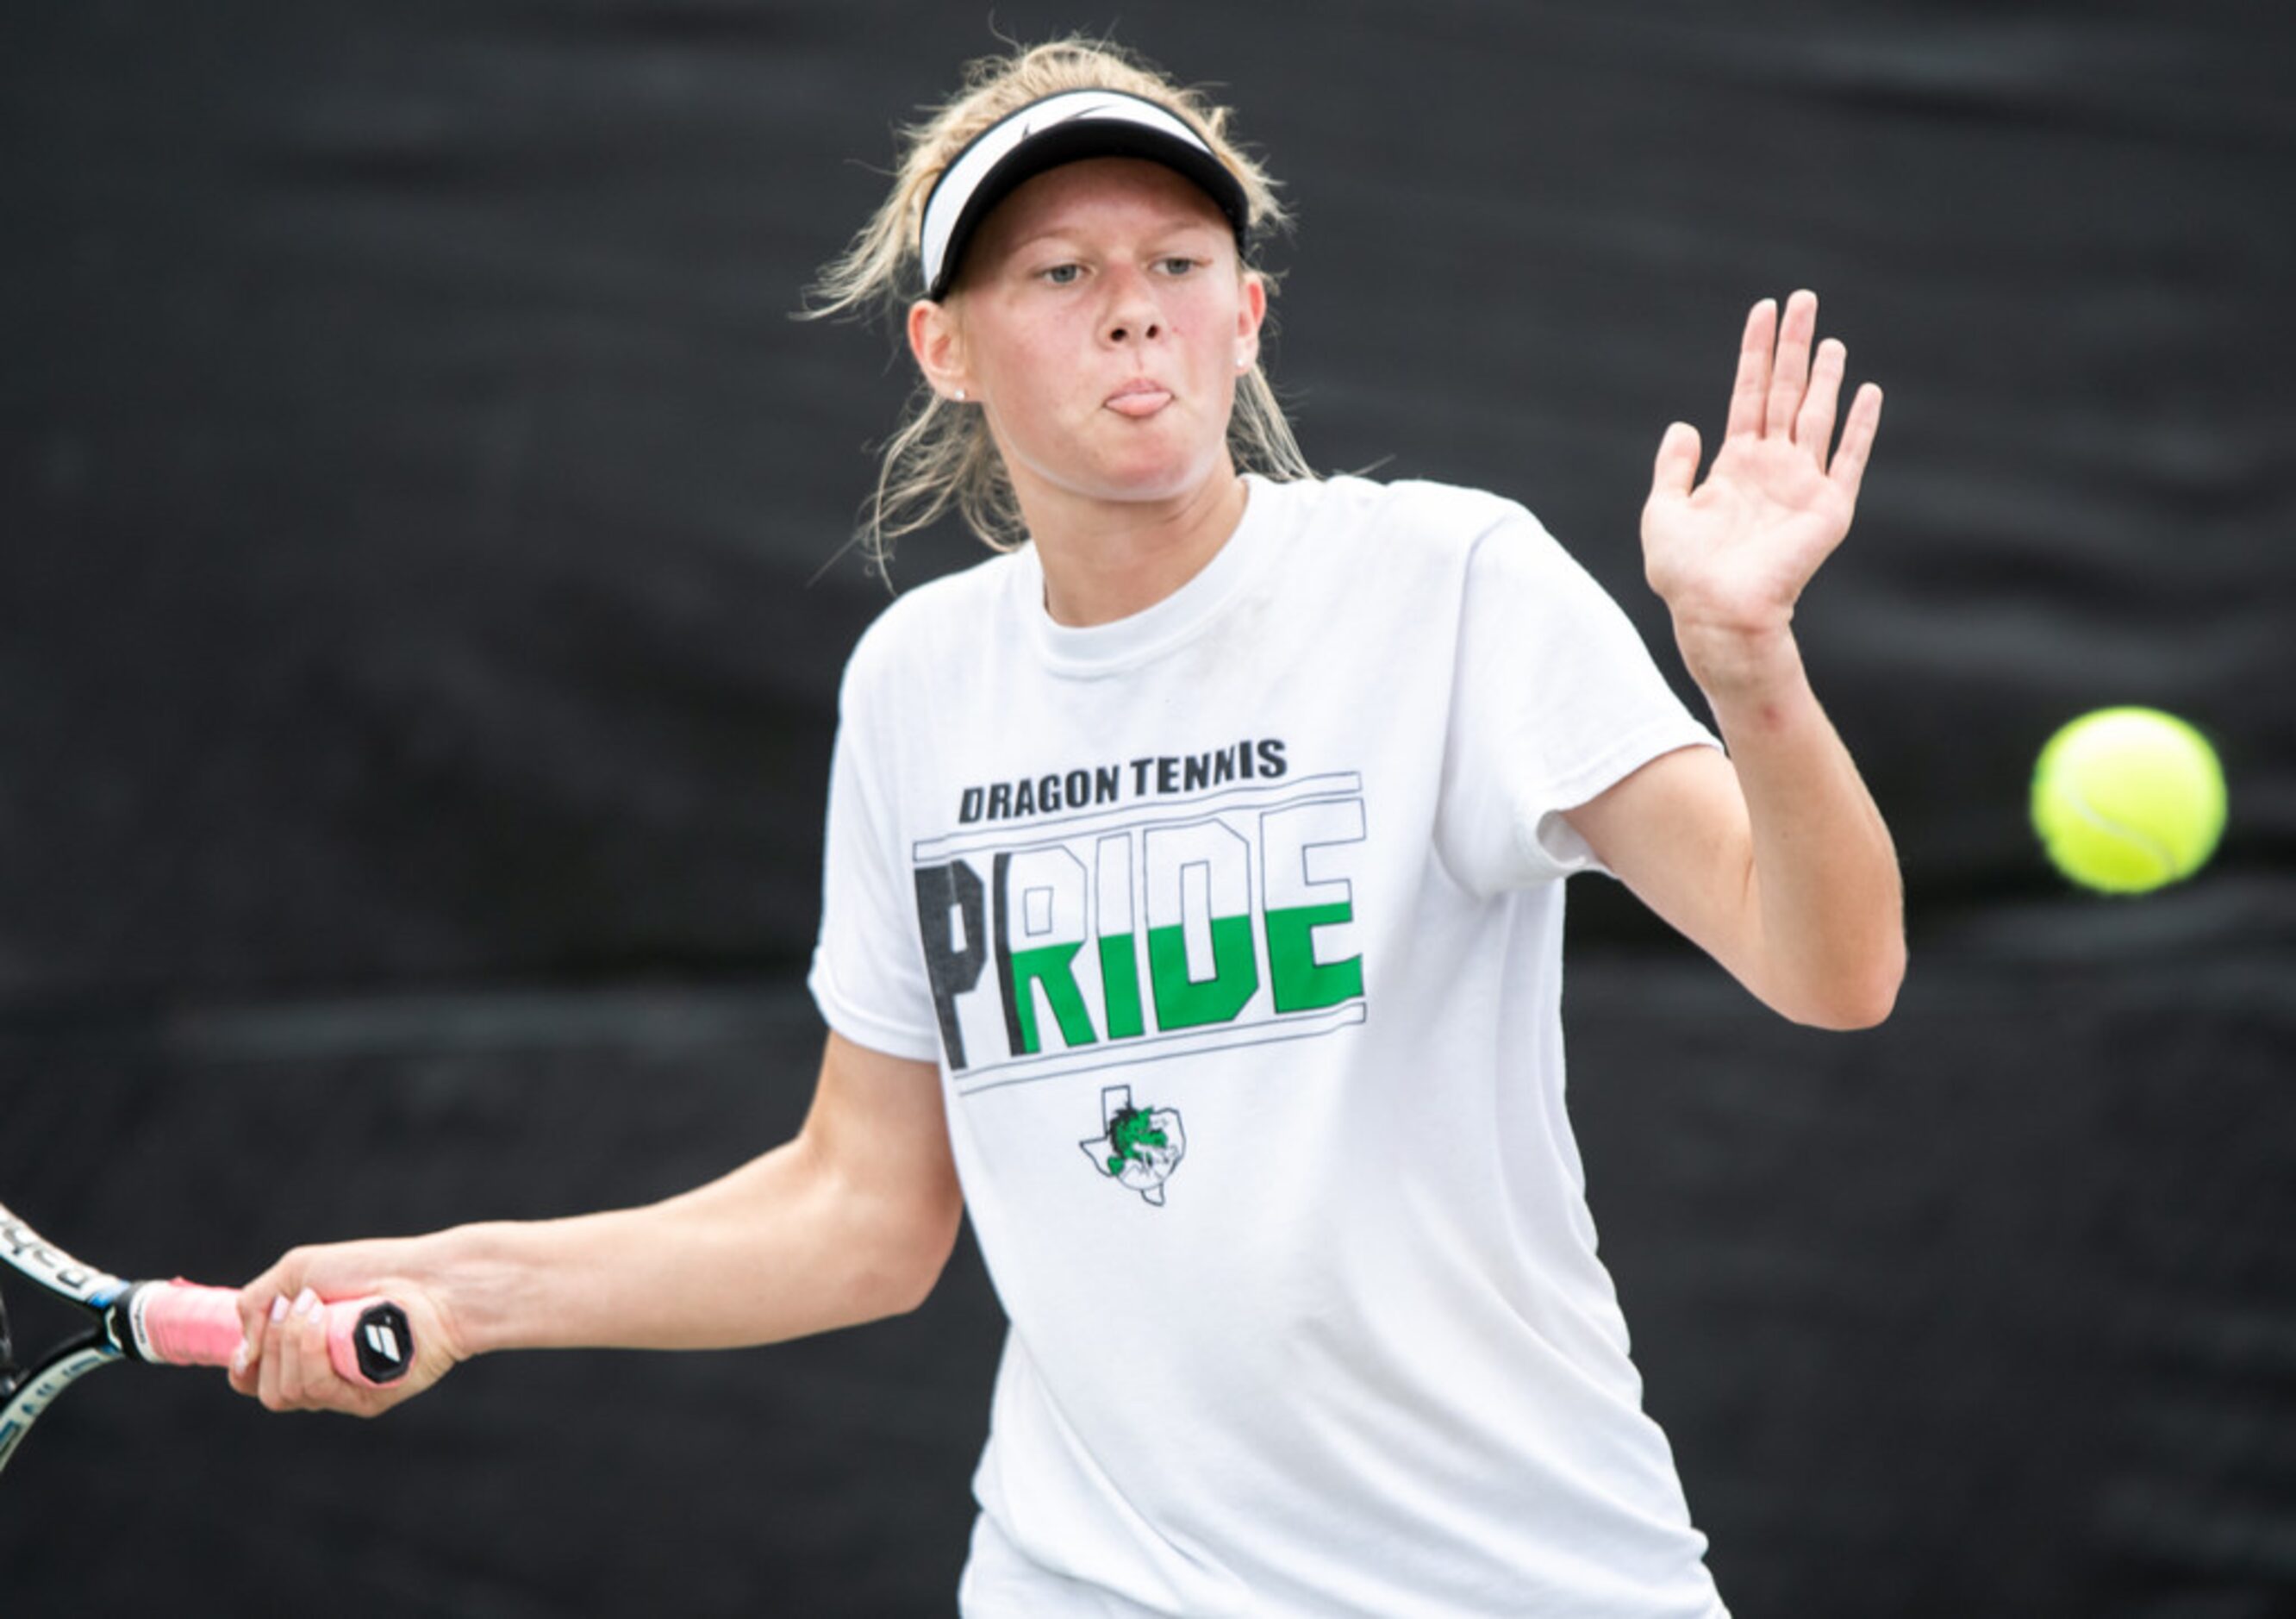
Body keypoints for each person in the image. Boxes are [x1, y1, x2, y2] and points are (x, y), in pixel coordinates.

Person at [230, 37, 1902, 1618]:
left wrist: (1748, 668)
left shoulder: (1448, 583)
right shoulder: (920, 684)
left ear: (1247, 317)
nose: (1134, 317)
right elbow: (862, 1213)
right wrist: (465, 1292)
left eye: (1177, 265)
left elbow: (1829, 971)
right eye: (1061, 275)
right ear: (944, 348)